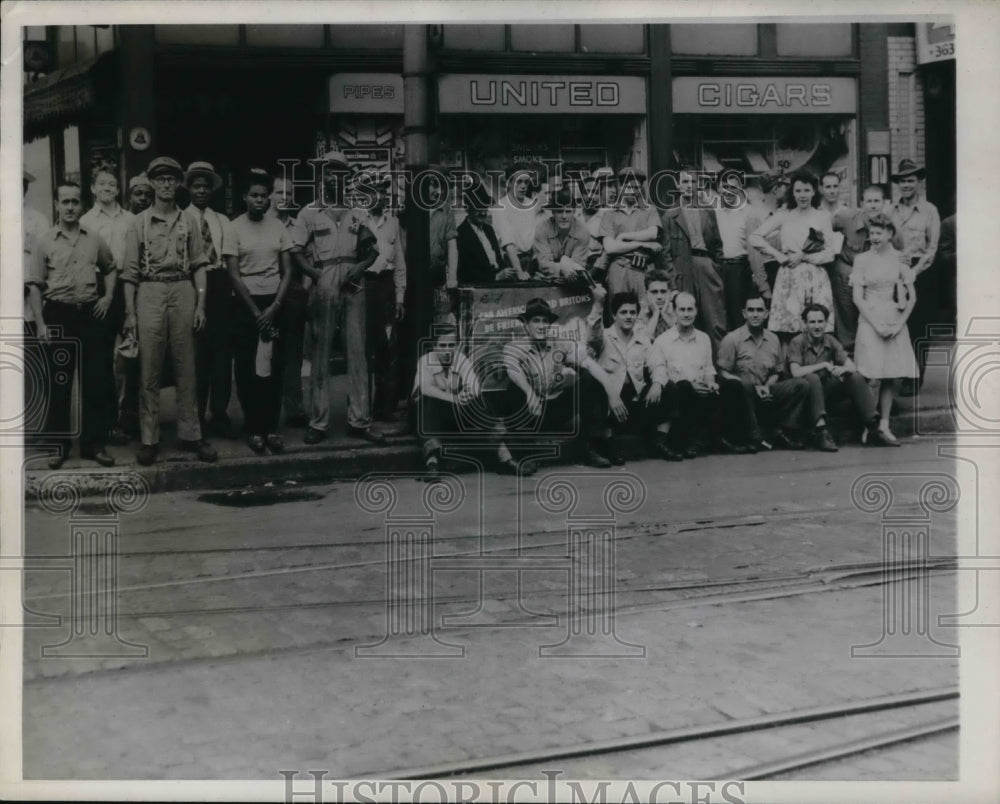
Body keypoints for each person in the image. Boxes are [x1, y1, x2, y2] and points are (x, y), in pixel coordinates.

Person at [122, 156, 217, 466]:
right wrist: (130, 314)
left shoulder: (190, 221)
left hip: (183, 289)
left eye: (171, 179)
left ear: (179, 184)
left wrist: (201, 303)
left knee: (186, 364)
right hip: (149, 290)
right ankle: (149, 438)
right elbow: (130, 274)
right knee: (149, 366)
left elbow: (200, 265)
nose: (165, 184)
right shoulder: (137, 223)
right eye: (160, 179)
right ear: (151, 183)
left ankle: (191, 433)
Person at [292, 150, 384, 445]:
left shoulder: (358, 212)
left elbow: (372, 251)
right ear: (322, 177)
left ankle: (360, 420)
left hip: (353, 284)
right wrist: (316, 276)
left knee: (357, 352)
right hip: (325, 280)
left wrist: (358, 269)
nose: (334, 177)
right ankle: (318, 423)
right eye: (329, 172)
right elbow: (295, 251)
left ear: (346, 178)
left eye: (340, 173)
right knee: (321, 353)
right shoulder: (309, 212)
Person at [26, 182, 118, 469]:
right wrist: (41, 324)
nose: (69, 207)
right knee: (60, 382)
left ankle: (94, 444)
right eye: (64, 201)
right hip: (58, 315)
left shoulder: (93, 238)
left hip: (89, 314)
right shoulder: (44, 240)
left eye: (74, 202)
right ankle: (59, 446)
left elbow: (111, 268)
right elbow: (35, 286)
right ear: (56, 205)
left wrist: (108, 297)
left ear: (81, 204)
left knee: (95, 382)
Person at [501, 297, 613, 469]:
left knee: (590, 381)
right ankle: (524, 453)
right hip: (531, 413)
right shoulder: (514, 346)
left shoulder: (558, 344)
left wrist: (612, 394)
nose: (541, 326)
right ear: (526, 324)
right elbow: (513, 371)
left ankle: (586, 449)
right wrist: (530, 394)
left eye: (545, 321)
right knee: (513, 390)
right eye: (535, 321)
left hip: (555, 409)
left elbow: (589, 364)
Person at [228, 172, 296, 454]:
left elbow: (288, 269)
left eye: (262, 195)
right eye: (253, 195)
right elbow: (233, 273)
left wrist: (274, 307)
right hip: (246, 304)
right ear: (244, 197)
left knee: (273, 367)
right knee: (247, 368)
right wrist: (257, 312)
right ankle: (254, 428)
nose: (258, 200)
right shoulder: (234, 228)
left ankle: (271, 428)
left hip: (273, 302)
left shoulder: (278, 227)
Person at [850, 213, 918, 446]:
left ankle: (884, 425)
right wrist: (876, 325)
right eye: (872, 233)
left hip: (893, 319)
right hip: (870, 319)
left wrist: (899, 325)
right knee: (870, 375)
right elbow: (857, 298)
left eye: (879, 233)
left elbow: (912, 298)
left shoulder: (900, 259)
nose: (874, 237)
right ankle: (868, 426)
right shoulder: (862, 260)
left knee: (890, 375)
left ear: (890, 234)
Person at [586, 291, 675, 465]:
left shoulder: (642, 339)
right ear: (614, 315)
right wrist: (598, 304)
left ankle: (658, 441)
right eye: (623, 312)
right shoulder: (603, 337)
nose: (628, 317)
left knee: (669, 387)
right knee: (593, 385)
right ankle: (606, 443)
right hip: (611, 405)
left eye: (632, 313)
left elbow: (658, 364)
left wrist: (657, 383)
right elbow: (592, 333)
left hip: (635, 403)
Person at [80, 169, 136, 446]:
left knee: (127, 357)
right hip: (98, 290)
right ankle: (104, 422)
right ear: (93, 188)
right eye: (102, 183)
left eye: (112, 184)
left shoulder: (130, 220)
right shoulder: (84, 221)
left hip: (127, 286)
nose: (107, 188)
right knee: (101, 359)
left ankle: (127, 419)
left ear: (118, 189)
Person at [748, 170, 836, 339]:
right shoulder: (784, 216)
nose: (802, 195)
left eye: (806, 190)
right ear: (792, 193)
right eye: (798, 191)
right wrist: (778, 255)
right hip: (790, 275)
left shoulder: (823, 217)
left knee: (816, 325)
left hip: (815, 276)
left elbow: (830, 253)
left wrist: (803, 256)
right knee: (790, 328)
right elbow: (754, 237)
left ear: (814, 192)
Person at [185, 161, 238, 438]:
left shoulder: (222, 221)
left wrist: (229, 291)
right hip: (192, 283)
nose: (201, 191)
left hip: (218, 285)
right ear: (189, 189)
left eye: (206, 186)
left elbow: (229, 259)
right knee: (197, 355)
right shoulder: (182, 219)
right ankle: (196, 414)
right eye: (196, 186)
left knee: (221, 354)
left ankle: (219, 412)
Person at [716, 296, 810, 452]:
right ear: (744, 313)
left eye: (759, 310)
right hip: (742, 395)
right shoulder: (732, 339)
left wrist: (767, 385)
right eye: (751, 310)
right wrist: (752, 387)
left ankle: (782, 431)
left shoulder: (773, 339)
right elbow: (723, 372)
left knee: (801, 385)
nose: (755, 314)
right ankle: (754, 435)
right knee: (742, 385)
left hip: (766, 391)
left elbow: (776, 372)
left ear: (766, 314)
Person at [786, 303, 882, 451]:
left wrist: (844, 369)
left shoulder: (830, 340)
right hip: (805, 397)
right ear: (805, 324)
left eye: (820, 321)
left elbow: (852, 366)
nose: (817, 326)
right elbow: (795, 372)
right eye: (812, 322)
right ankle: (821, 432)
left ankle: (873, 427)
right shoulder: (797, 342)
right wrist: (823, 365)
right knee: (812, 377)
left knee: (854, 377)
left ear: (826, 323)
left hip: (825, 393)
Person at [646, 291, 719, 459]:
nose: (686, 314)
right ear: (674, 311)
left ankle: (698, 440)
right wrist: (690, 385)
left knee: (723, 388)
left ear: (696, 311)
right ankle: (675, 440)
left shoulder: (704, 339)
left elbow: (708, 369)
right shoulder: (662, 341)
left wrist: (710, 382)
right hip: (677, 398)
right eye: (682, 310)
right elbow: (660, 373)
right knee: (684, 387)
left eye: (690, 309)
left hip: (701, 396)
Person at [660, 167, 726, 352]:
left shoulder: (707, 210)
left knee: (715, 320)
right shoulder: (669, 215)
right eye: (685, 182)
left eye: (693, 182)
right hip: (683, 270)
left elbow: (717, 244)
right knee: (684, 319)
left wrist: (715, 268)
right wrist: (673, 282)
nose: (689, 186)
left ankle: (719, 371)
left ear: (699, 185)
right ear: (678, 185)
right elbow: (665, 255)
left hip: (706, 265)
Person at [889, 159, 940, 391]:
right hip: (895, 273)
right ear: (898, 184)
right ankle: (903, 372)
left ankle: (915, 377)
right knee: (900, 323)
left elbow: (932, 248)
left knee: (919, 326)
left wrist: (914, 272)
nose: (907, 185)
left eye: (911, 180)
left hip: (921, 273)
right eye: (902, 181)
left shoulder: (929, 211)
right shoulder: (890, 210)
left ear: (918, 182)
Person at [412, 325, 484, 482]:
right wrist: (455, 398)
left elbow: (476, 386)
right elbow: (426, 389)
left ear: (457, 346)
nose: (447, 351)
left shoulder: (461, 359)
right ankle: (432, 463)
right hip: (426, 415)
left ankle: (504, 455)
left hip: (451, 414)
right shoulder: (425, 360)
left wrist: (467, 394)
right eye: (442, 345)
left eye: (451, 345)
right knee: (427, 402)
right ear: (434, 347)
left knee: (480, 401)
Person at [362, 175, 407, 422]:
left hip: (386, 288)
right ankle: (361, 406)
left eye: (383, 192)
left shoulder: (393, 223)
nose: (379, 196)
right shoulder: (357, 220)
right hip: (364, 287)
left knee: (386, 348)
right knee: (364, 347)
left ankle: (383, 407)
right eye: (374, 191)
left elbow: (399, 262)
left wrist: (400, 297)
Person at [267, 173, 309, 428]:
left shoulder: (298, 226)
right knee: (267, 355)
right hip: (267, 294)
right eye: (280, 192)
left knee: (293, 354)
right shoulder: (261, 223)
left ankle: (294, 410)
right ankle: (267, 412)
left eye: (289, 193)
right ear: (270, 195)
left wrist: (304, 291)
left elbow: (308, 263)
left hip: (293, 296)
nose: (284, 197)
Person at [829, 185, 888, 353]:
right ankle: (849, 358)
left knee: (871, 316)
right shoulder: (847, 216)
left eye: (877, 201)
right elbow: (825, 226)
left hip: (873, 277)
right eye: (869, 201)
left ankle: (871, 359)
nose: (873, 205)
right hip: (847, 271)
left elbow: (899, 245)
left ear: (884, 203)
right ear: (862, 203)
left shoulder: (888, 224)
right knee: (846, 318)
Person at [599, 167, 663, 297]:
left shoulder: (649, 210)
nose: (633, 192)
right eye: (629, 187)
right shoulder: (610, 214)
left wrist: (623, 236)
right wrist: (642, 244)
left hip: (644, 269)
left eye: (637, 188)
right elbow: (610, 247)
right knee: (619, 311)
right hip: (619, 268)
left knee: (645, 310)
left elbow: (652, 233)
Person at [492, 164, 547, 279]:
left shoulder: (531, 205)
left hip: (531, 261)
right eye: (519, 182)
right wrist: (519, 272)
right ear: (509, 183)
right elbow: (508, 244)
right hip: (510, 263)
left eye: (526, 182)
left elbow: (536, 236)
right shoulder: (500, 207)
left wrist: (535, 263)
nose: (523, 186)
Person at [533, 188, 591, 285]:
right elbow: (543, 265)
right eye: (559, 211)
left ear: (574, 212)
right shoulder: (542, 229)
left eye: (568, 211)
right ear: (553, 212)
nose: (564, 216)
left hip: (572, 283)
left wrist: (563, 269)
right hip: (545, 281)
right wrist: (562, 268)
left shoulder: (583, 231)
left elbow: (577, 266)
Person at [425, 166, 459, 324]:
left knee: (442, 320)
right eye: (432, 184)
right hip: (414, 279)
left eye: (438, 185)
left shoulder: (446, 210)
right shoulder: (409, 210)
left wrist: (452, 276)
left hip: (438, 278)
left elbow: (452, 245)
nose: (436, 190)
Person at [456, 183, 509, 284]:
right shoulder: (461, 234)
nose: (483, 213)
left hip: (498, 285)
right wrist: (495, 277)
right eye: (478, 208)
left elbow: (498, 260)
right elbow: (465, 272)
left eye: (485, 207)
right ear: (467, 208)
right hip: (479, 287)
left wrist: (506, 272)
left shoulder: (489, 229)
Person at [634, 269, 676, 341]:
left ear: (669, 293)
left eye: (663, 292)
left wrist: (665, 315)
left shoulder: (676, 309)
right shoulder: (638, 311)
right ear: (647, 294)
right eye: (654, 292)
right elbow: (642, 343)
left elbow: (683, 340)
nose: (659, 297)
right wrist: (655, 314)